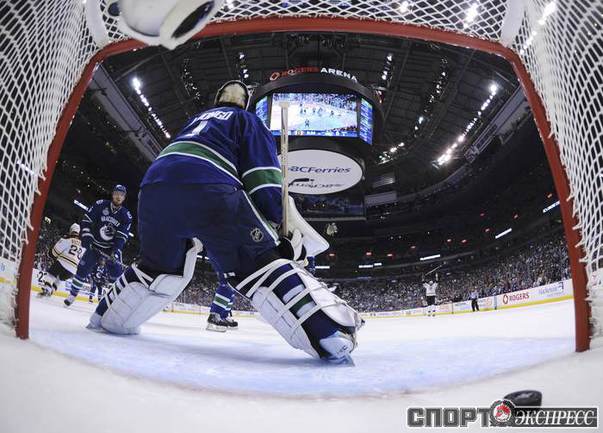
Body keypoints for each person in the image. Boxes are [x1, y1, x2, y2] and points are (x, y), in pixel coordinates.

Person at [87, 80, 362, 362]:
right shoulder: (247, 120)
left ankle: (104, 317)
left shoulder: (195, 120)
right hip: (209, 187)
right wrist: (277, 224)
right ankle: (330, 333)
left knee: (157, 267)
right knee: (260, 262)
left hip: (154, 189)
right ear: (245, 103)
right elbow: (262, 177)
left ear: (218, 98)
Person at [64, 185, 132, 307]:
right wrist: (87, 237)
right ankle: (72, 295)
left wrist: (115, 250)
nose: (118, 196)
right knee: (82, 269)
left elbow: (122, 236)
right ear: (112, 194)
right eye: (116, 193)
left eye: (121, 195)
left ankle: (115, 302)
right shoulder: (100, 205)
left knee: (116, 275)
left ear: (124, 197)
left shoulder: (126, 215)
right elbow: (87, 221)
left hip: (110, 248)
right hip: (94, 244)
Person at [38, 224, 83, 297]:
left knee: (51, 274)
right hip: (73, 269)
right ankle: (51, 291)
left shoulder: (67, 239)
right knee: (60, 279)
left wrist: (49, 253)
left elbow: (55, 252)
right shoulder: (83, 244)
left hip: (63, 262)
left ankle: (47, 289)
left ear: (71, 230)